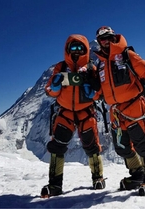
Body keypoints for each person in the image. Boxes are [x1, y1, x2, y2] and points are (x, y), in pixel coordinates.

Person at [92, 26, 145, 196]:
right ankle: (137, 175)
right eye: (102, 40)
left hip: (134, 106)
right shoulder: (100, 64)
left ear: (114, 37)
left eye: (108, 38)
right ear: (99, 42)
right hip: (115, 111)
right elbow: (101, 91)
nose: (105, 42)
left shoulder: (127, 55)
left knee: (142, 144)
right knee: (121, 147)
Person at [41, 34, 104, 198]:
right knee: (57, 147)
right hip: (65, 112)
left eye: (80, 48)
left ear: (86, 49)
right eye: (73, 48)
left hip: (86, 112)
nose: (76, 52)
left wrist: (92, 92)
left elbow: (100, 92)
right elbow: (50, 91)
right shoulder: (61, 68)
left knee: (92, 146)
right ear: (67, 49)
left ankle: (98, 178)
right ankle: (54, 185)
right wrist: (56, 84)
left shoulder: (91, 68)